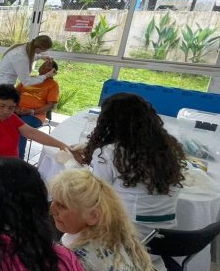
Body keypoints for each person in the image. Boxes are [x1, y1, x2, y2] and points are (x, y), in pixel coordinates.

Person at [80, 92, 186, 236]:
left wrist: (72, 165)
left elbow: (91, 194)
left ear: (108, 123)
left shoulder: (108, 154)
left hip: (126, 236)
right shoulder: (167, 149)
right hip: (165, 236)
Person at [0, 84, 70, 178]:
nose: (6, 111)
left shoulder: (8, 116)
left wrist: (61, 145)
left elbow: (31, 132)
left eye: (11, 108)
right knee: (37, 183)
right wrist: (19, 168)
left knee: (44, 177)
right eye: (2, 106)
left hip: (6, 163)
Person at [0, 35, 56, 100]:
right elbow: (27, 82)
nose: (42, 53)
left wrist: (41, 57)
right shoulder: (20, 56)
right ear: (39, 48)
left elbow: (27, 56)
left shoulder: (24, 47)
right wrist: (46, 75)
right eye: (43, 51)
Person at [15, 60, 60, 159]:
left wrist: (32, 111)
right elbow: (13, 94)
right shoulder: (29, 79)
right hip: (17, 111)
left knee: (21, 128)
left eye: (48, 66)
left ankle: (18, 160)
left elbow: (50, 105)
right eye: (43, 64)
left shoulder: (53, 85)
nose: (43, 66)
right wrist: (15, 107)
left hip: (35, 116)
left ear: (54, 72)